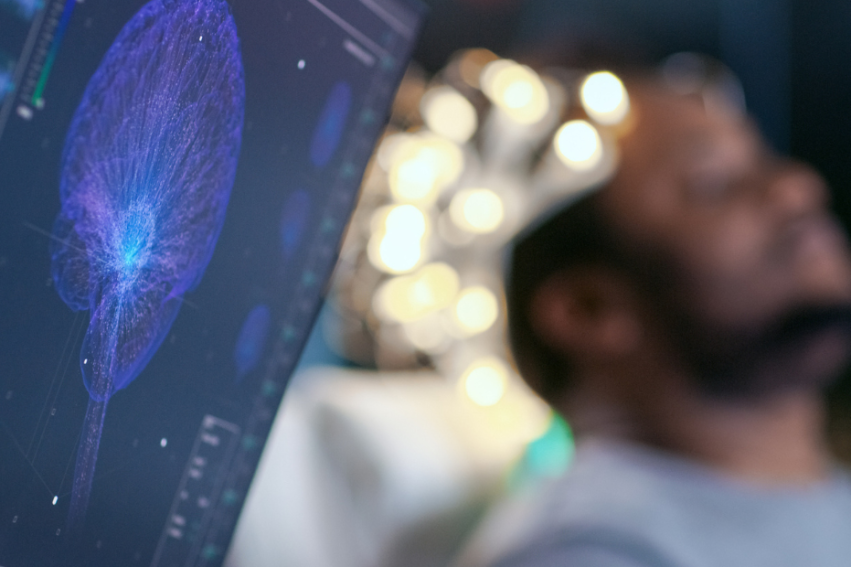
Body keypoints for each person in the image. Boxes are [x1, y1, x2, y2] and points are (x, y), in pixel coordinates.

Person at [460, 74, 851, 566]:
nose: (796, 188)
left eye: (762, 160)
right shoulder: (588, 552)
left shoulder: (821, 498)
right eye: (714, 183)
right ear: (590, 309)